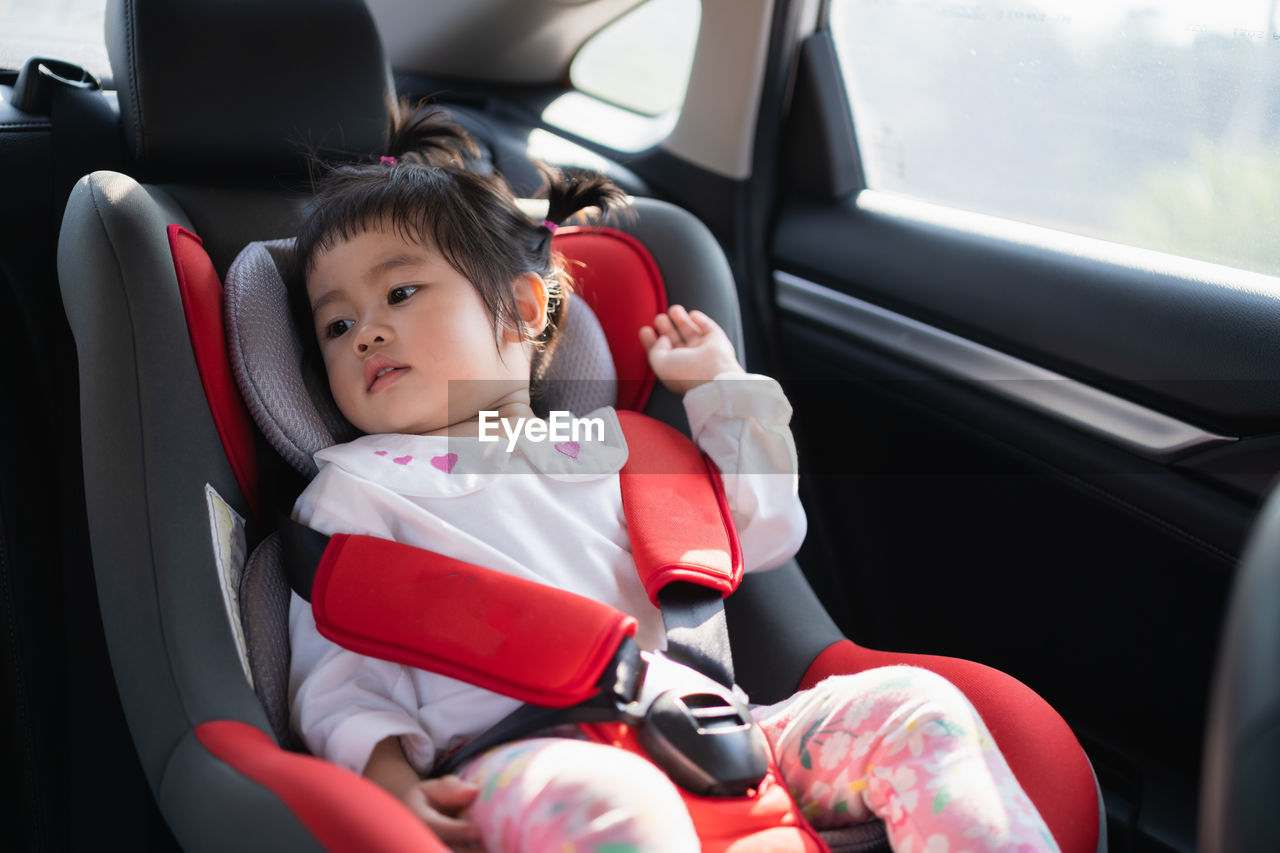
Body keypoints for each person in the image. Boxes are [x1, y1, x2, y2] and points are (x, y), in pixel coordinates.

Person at [285, 106, 1061, 853]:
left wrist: (720, 388)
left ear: (521, 310)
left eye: (400, 292)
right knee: (616, 804)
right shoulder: (353, 489)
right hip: (520, 756)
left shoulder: (609, 448)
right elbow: (338, 679)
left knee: (915, 706)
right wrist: (388, 784)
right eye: (336, 323)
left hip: (716, 728)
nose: (368, 332)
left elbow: (764, 530)